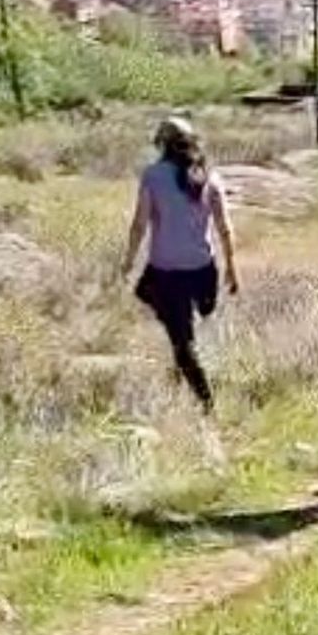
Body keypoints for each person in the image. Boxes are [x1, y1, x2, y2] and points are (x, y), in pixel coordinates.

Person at [121, 117, 240, 415]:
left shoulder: (152, 176)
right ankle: (185, 353)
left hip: (167, 272)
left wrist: (127, 261)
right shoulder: (209, 176)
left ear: (161, 144)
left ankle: (206, 403)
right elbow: (225, 228)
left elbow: (139, 224)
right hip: (203, 270)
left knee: (181, 339)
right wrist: (232, 269)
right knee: (175, 315)